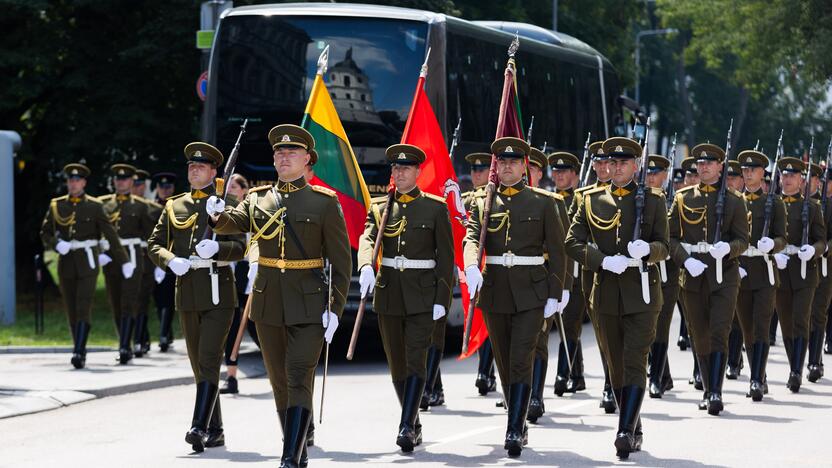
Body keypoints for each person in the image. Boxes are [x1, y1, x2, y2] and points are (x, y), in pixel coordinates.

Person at [208, 125, 351, 467]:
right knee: (279, 381)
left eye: (292, 153)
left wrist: (335, 308)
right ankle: (297, 447)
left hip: (309, 303)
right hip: (269, 300)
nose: (284, 157)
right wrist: (215, 212)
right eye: (279, 153)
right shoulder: (258, 199)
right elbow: (231, 222)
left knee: (298, 372)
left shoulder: (324, 203)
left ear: (307, 160)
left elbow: (342, 264)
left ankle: (289, 456)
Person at [566, 137, 669, 459]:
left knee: (635, 358)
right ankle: (633, 424)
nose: (618, 167)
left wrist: (648, 251)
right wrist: (601, 260)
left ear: (636, 166)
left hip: (641, 294)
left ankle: (624, 431)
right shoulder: (591, 200)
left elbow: (665, 246)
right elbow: (571, 242)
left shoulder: (654, 200)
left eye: (625, 162)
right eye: (614, 162)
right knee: (615, 364)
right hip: (605, 293)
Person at [464, 136, 566, 457]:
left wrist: (556, 291)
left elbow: (559, 252)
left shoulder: (544, 202)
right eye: (502, 162)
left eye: (513, 162)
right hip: (495, 290)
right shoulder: (482, 202)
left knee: (522, 357)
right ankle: (518, 418)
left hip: (531, 292)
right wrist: (470, 265)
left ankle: (512, 430)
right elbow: (471, 236)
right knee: (505, 362)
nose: (507, 167)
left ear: (525, 166)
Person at [148, 142, 246, 453]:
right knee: (199, 365)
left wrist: (219, 249)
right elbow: (154, 243)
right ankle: (215, 430)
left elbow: (242, 247)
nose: (195, 170)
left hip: (219, 293)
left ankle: (198, 426)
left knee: (207, 360)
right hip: (187, 293)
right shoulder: (175, 205)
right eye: (191, 166)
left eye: (201, 166)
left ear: (215, 171)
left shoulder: (228, 203)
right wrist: (168, 260)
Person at [357, 143, 453, 452]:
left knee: (415, 359)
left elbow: (446, 258)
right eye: (396, 169)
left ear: (418, 172)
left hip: (423, 294)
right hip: (388, 294)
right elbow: (368, 237)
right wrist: (365, 265)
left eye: (405, 169)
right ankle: (413, 422)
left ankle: (405, 425)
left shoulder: (435, 208)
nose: (399, 173)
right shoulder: (379, 206)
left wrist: (442, 298)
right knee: (397, 364)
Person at [668, 143, 749, 415]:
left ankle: (715, 390)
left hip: (724, 275)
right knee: (699, 334)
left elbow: (742, 239)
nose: (703, 167)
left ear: (720, 166)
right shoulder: (682, 199)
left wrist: (729, 248)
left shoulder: (736, 200)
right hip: (692, 275)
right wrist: (685, 260)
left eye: (709, 163)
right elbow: (670, 238)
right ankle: (706, 388)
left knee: (719, 331)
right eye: (699, 164)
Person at [39, 163, 128, 369]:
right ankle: (79, 346)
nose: (73, 183)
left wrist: (121, 259)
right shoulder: (56, 205)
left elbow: (110, 233)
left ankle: (79, 351)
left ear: (84, 183)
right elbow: (45, 232)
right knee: (71, 307)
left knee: (83, 305)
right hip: (66, 262)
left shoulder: (95, 206)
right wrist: (55, 244)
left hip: (88, 262)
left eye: (77, 180)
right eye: (71, 180)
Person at [567, 141, 616, 412]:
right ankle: (610, 383)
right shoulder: (583, 196)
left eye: (605, 162)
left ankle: (617, 380)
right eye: (596, 162)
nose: (601, 167)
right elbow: (573, 239)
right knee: (600, 330)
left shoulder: (627, 196)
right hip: (592, 271)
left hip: (623, 272)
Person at [735, 149, 786, 401]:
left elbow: (782, 238)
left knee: (762, 327)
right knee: (747, 330)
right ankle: (760, 375)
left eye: (752, 170)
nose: (747, 174)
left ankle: (756, 379)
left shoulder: (773, 202)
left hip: (765, 272)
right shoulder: (734, 200)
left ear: (762, 173)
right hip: (742, 271)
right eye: (744, 170)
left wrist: (773, 245)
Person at [773, 157, 826, 393]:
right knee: (786, 324)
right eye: (784, 175)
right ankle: (794, 362)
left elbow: (822, 240)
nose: (787, 179)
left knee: (800, 320)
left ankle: (795, 371)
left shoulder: (812, 207)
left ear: (801, 180)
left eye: (792, 176)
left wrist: (812, 250)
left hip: (805, 271)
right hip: (781, 269)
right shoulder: (772, 204)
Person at [526, 147, 571, 423]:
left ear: (540, 173)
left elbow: (561, 250)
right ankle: (518, 389)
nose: (525, 171)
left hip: (542, 277)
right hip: (514, 280)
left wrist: (563, 287)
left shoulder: (551, 201)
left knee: (538, 339)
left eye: (531, 168)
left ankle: (535, 395)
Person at [98, 164, 155, 364]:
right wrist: (99, 252)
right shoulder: (103, 204)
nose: (121, 182)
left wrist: (156, 264)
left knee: (129, 301)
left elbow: (151, 236)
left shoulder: (141, 205)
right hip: (111, 257)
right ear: (114, 181)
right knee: (115, 301)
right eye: (118, 179)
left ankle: (125, 347)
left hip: (132, 256)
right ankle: (124, 342)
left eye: (125, 179)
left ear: (131, 181)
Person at [219, 173, 261, 395]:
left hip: (252, 268)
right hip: (232, 269)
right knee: (232, 323)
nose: (231, 190)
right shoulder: (222, 210)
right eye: (229, 186)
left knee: (257, 321)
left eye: (235, 186)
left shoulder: (253, 209)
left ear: (244, 190)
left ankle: (277, 364)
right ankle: (231, 376)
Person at [462, 151, 498, 396]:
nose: (476, 174)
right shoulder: (463, 200)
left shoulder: (494, 198)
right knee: (473, 318)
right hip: (470, 269)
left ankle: (485, 372)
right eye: (474, 170)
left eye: (481, 169)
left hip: (490, 267)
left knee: (487, 320)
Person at [644, 154, 676, 398]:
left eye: (656, 173)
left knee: (661, 325)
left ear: (666, 176)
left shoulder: (675, 202)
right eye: (648, 173)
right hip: (644, 270)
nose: (651, 177)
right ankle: (662, 374)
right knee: (647, 327)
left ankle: (656, 377)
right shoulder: (640, 200)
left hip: (668, 272)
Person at [132, 168, 162, 357]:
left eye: (140, 184)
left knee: (141, 301)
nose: (138, 188)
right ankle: (140, 338)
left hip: (147, 260)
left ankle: (139, 340)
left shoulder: (153, 208)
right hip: (129, 259)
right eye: (135, 184)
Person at [807, 163, 831, 383]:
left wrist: (825, 248)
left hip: (825, 267)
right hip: (802, 267)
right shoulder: (802, 203)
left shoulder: (829, 205)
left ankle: (814, 360)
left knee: (818, 313)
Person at [151, 172, 178, 351]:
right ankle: (166, 333)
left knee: (168, 297)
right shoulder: (150, 207)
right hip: (153, 258)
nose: (164, 190)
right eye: (161, 187)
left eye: (168, 187)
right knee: (157, 298)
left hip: (172, 257)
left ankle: (163, 334)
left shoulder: (177, 206)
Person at [725, 160, 746, 378]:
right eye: (727, 177)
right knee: (728, 318)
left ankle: (735, 360)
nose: (729, 182)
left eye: (734, 178)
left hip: (750, 266)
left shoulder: (744, 202)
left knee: (740, 318)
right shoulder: (723, 202)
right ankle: (733, 359)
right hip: (727, 264)